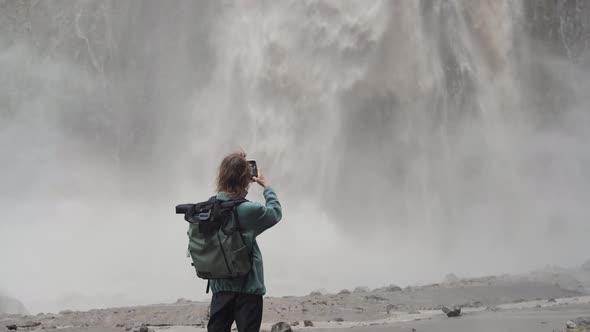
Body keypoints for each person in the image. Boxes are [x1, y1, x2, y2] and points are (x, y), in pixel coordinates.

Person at [207, 151, 282, 332]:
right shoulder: (249, 210)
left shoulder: (208, 207)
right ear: (247, 179)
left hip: (220, 286)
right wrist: (267, 187)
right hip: (247, 289)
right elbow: (275, 213)